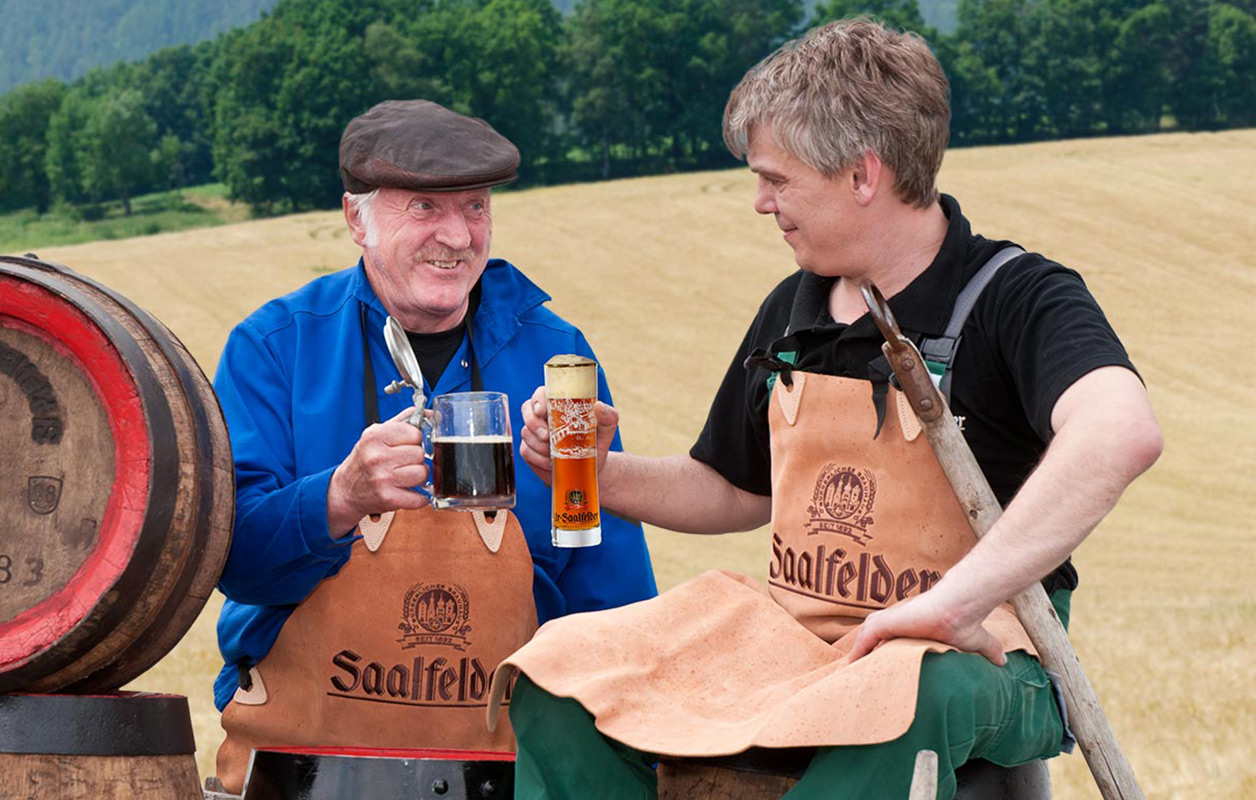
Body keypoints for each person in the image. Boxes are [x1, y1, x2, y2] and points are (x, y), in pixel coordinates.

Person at [496, 18, 1163, 800]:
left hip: (986, 648)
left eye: (777, 180)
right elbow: (732, 487)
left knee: (906, 695)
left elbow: (1121, 432)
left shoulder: (1015, 296)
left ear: (861, 174)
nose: (761, 203)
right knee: (560, 673)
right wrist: (597, 473)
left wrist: (956, 602)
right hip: (800, 641)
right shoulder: (794, 306)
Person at [208, 99, 657, 793]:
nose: (457, 235)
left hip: (517, 766)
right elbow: (231, 561)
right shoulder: (274, 347)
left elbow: (610, 588)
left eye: (476, 207)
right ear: (356, 218)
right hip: (313, 767)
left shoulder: (557, 355)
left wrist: (637, 758)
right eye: (424, 207)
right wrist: (337, 498)